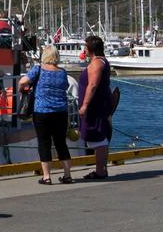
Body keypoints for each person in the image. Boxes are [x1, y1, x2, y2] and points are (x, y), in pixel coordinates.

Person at [18, 45, 73, 184]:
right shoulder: (62, 72)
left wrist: (22, 89)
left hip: (42, 111)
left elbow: (23, 81)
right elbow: (65, 86)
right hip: (61, 111)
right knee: (61, 143)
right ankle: (67, 175)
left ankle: (47, 177)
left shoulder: (38, 69)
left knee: (44, 143)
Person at [78, 35, 113, 179]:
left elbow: (92, 85)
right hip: (98, 104)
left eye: (85, 47)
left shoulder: (97, 63)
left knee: (99, 138)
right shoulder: (100, 61)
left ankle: (100, 171)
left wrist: (85, 105)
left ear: (91, 48)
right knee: (97, 138)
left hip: (95, 106)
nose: (84, 50)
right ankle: (101, 169)